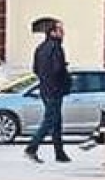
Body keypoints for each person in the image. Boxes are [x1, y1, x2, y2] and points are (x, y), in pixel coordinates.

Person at [24, 19, 71, 164]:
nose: (63, 33)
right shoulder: (56, 48)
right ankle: (31, 148)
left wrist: (45, 77)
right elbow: (58, 69)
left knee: (56, 121)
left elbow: (35, 69)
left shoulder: (40, 48)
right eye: (60, 30)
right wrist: (64, 74)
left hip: (44, 88)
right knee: (50, 120)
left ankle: (59, 153)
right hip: (55, 89)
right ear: (53, 32)